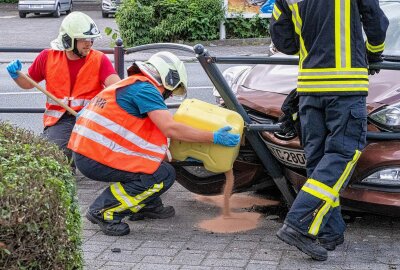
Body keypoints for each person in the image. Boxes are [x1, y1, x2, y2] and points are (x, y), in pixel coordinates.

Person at [67, 51, 241, 236]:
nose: (170, 95)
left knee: (155, 163)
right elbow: (170, 128)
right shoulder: (146, 90)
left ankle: (146, 205)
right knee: (163, 174)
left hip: (90, 152)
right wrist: (212, 137)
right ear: (168, 79)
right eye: (173, 90)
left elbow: (140, 133)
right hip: (94, 157)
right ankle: (103, 211)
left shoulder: (134, 84)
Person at [270, 0, 389, 261]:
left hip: (310, 88)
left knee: (320, 160)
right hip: (346, 87)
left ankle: (329, 231)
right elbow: (377, 24)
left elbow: (284, 42)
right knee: (342, 155)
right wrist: (373, 53)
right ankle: (299, 224)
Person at [6, 11, 120, 162]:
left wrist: (93, 110)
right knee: (53, 156)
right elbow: (28, 83)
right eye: (85, 39)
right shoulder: (47, 57)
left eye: (91, 39)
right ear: (69, 41)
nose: (90, 43)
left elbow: (117, 88)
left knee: (104, 158)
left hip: (91, 119)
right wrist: (16, 75)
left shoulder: (99, 59)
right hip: (60, 121)